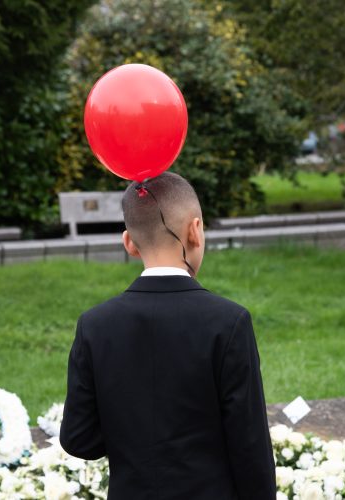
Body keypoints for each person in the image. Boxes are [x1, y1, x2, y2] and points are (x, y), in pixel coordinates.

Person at [59, 171, 276, 500]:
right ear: (196, 231)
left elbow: (79, 440)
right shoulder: (228, 322)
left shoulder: (95, 325)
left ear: (129, 243)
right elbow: (250, 446)